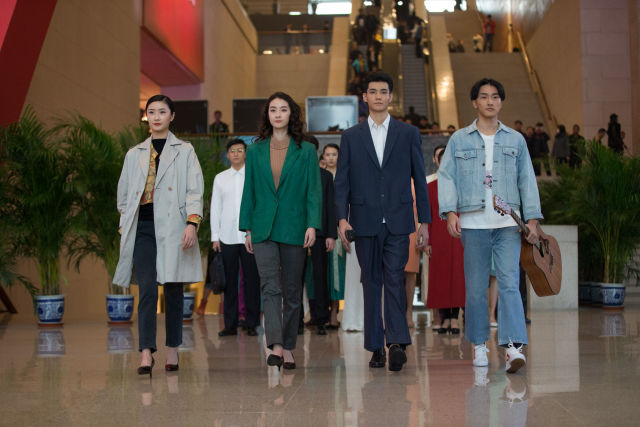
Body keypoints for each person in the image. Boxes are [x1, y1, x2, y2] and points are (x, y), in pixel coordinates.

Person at [438, 78, 543, 374]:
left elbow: (527, 179)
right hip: (473, 224)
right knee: (475, 288)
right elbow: (447, 176)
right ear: (474, 102)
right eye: (483, 97)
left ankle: (513, 348)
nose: (489, 101)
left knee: (509, 284)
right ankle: (479, 344)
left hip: (508, 224)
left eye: (495, 97)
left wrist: (532, 219)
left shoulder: (516, 139)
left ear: (501, 102)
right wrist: (450, 212)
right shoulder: (459, 139)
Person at [334, 71, 431, 372]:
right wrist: (341, 219)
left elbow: (420, 179)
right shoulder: (351, 136)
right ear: (364, 97)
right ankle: (376, 345)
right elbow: (342, 182)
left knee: (395, 278)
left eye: (383, 91)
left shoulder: (408, 133)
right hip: (364, 221)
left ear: (390, 97)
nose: (378, 96)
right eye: (372, 92)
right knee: (371, 282)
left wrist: (424, 221)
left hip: (399, 220)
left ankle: (396, 343)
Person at [113, 94, 205, 375]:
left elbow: (194, 190)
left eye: (162, 112)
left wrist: (191, 223)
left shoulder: (185, 150)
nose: (156, 117)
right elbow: (124, 195)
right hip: (142, 228)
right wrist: (124, 225)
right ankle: (146, 352)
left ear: (172, 116)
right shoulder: (134, 154)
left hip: (174, 227)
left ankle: (173, 349)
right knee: (147, 289)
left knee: (173, 288)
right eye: (151, 112)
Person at [239, 92, 321, 370]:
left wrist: (312, 224)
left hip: (295, 227)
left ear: (291, 114)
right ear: (267, 115)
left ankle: (288, 346)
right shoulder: (254, 151)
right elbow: (249, 191)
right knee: (270, 287)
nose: (277, 114)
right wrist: (247, 228)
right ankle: (275, 345)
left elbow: (313, 191)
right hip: (262, 227)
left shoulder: (306, 150)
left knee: (293, 291)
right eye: (272, 109)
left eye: (283, 109)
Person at [207, 139, 260, 337]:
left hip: (249, 237)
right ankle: (230, 324)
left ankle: (252, 323)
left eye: (240, 150)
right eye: (232, 151)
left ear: (245, 153)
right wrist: (215, 237)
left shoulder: (253, 176)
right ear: (227, 154)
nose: (236, 154)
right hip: (227, 236)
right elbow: (215, 208)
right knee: (229, 282)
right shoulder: (220, 178)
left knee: (251, 280)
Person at [425, 147, 465, 335]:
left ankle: (454, 317)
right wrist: (428, 241)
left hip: (458, 235)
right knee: (439, 277)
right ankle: (443, 317)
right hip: (438, 235)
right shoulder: (431, 187)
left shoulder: (462, 186)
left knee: (457, 276)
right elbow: (427, 216)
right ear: (438, 162)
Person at [302, 136, 337, 335]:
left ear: (315, 151)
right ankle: (297, 320)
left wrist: (332, 234)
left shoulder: (325, 176)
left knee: (320, 276)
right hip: (295, 234)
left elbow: (331, 206)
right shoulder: (293, 173)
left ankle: (322, 319)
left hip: (321, 233)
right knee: (296, 277)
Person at [321, 143, 345, 329]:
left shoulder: (344, 177)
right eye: (327, 154)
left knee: (339, 273)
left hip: (341, 230)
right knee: (324, 274)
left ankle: (336, 312)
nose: (330, 158)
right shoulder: (319, 176)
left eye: (334, 154)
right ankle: (323, 312)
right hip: (323, 230)